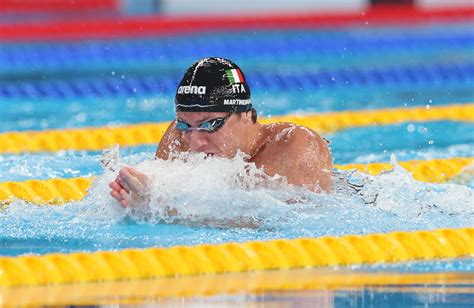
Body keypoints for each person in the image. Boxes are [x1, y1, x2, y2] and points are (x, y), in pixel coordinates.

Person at [109, 57, 332, 208]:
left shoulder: (295, 146)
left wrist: (164, 209)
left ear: (244, 114)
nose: (195, 143)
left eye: (210, 125)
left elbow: (284, 225)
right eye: (185, 125)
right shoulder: (179, 136)